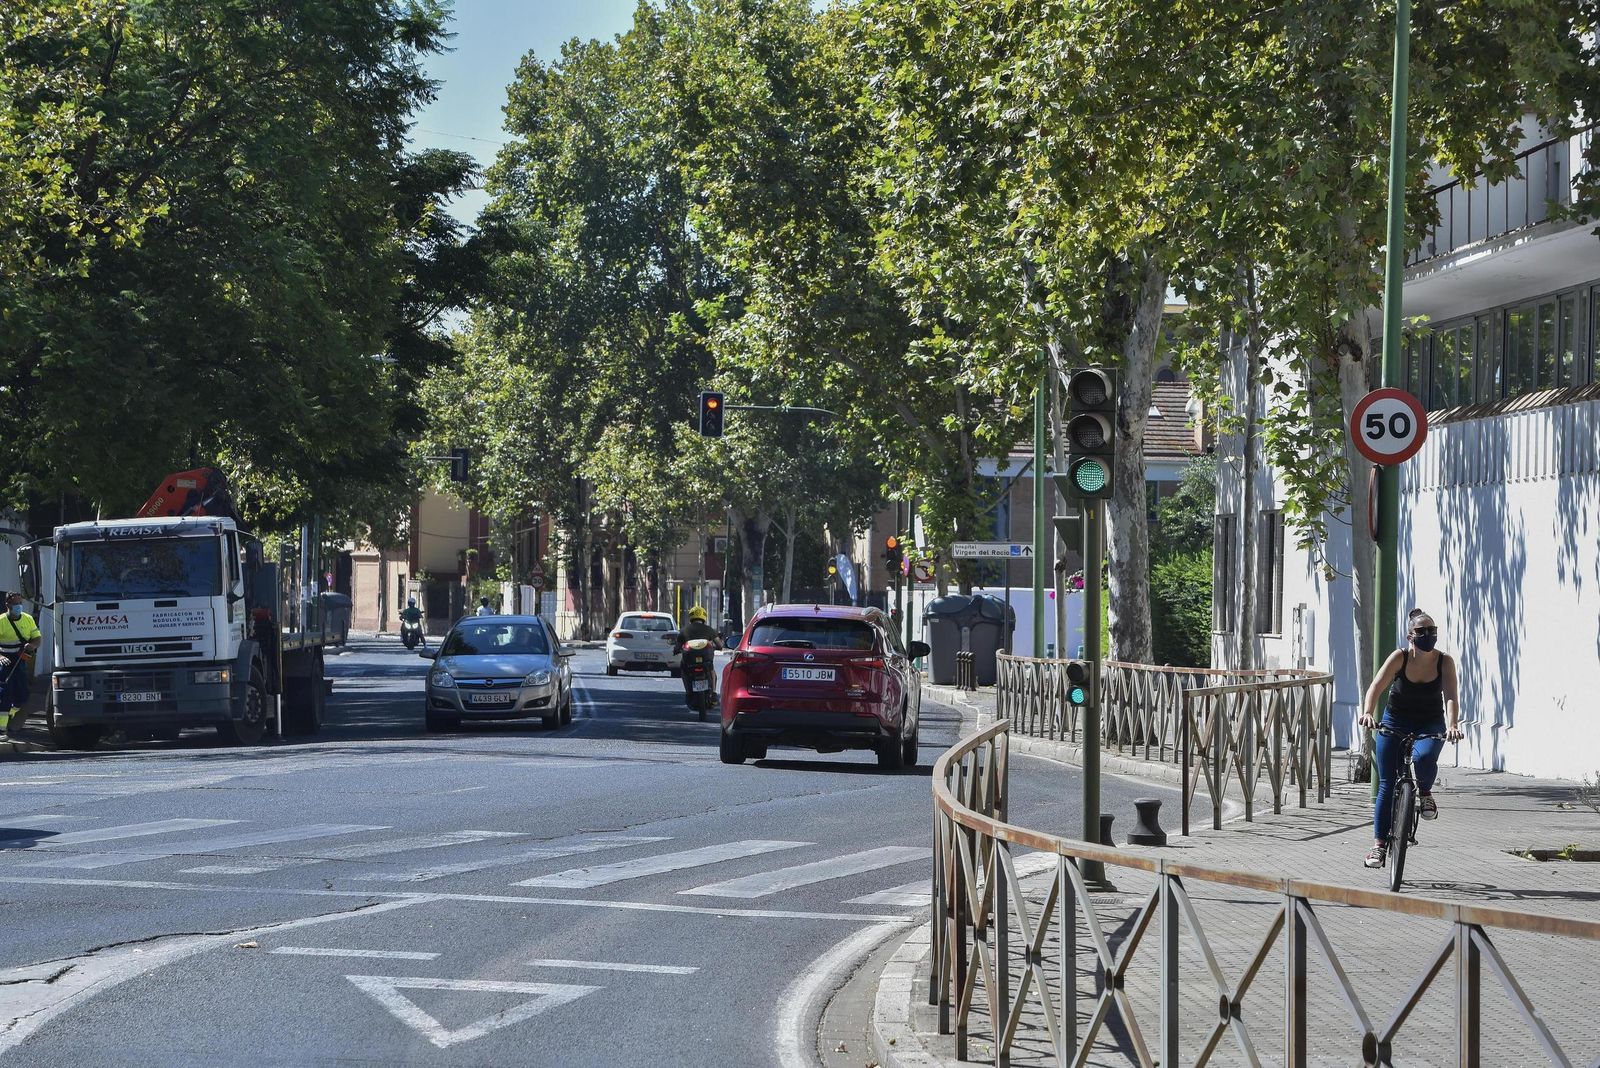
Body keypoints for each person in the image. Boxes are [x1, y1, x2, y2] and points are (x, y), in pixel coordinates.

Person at [1358, 608, 1464, 869]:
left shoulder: (1444, 661)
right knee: (1386, 783)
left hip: (1430, 721)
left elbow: (1451, 695)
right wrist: (1368, 713)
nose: (1427, 635)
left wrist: (1452, 725)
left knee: (1425, 756)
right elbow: (1376, 686)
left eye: (1432, 631)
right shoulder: (1400, 657)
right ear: (1410, 636)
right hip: (1395, 721)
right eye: (1421, 631)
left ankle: (1425, 792)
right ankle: (1379, 846)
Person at [0, 592, 42, 737]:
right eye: (15, 603)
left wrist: (31, 646)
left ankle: (12, 711)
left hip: (21, 658)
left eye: (20, 603)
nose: (18, 606)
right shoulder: (1, 621)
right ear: (8, 605)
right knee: (5, 691)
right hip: (4, 659)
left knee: (22, 694)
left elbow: (37, 639)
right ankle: (2, 730)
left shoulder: (28, 619)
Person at [672, 606, 722, 702]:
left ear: (690, 617)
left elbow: (677, 647)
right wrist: (715, 648)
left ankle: (688, 692)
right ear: (704, 617)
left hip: (689, 661)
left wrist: (676, 651)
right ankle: (714, 692)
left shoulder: (684, 631)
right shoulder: (709, 629)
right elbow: (719, 645)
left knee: (684, 670)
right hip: (706, 660)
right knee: (711, 669)